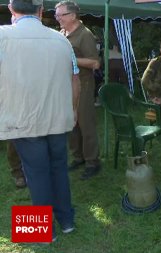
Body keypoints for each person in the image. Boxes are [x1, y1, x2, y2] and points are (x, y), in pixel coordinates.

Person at [0, 0, 80, 240]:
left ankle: (44, 232)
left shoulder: (3, 36)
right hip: (58, 117)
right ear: (41, 11)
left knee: (37, 173)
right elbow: (75, 80)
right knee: (58, 169)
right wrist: (73, 111)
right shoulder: (62, 39)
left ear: (12, 11)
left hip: (24, 119)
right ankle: (66, 222)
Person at [55, 0, 101, 179]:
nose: (57, 18)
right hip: (66, 86)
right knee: (71, 123)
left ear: (73, 15)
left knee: (85, 123)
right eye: (57, 15)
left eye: (61, 15)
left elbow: (95, 63)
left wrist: (70, 59)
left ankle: (92, 161)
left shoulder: (85, 35)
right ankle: (78, 157)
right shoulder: (62, 33)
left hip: (84, 85)